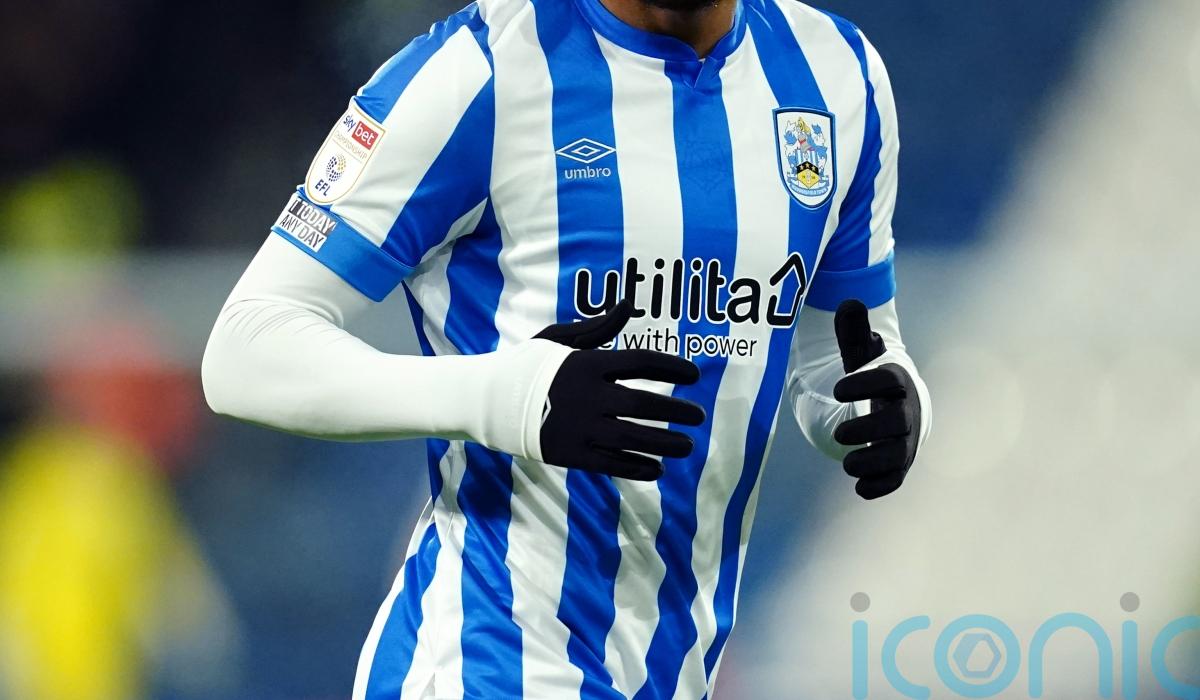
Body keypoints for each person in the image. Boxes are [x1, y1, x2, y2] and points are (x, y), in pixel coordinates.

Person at [201, 0, 932, 696]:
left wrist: (885, 406)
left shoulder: (838, 75)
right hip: (485, 666)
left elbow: (841, 353)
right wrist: (512, 398)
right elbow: (246, 347)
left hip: (675, 671)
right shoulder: (480, 70)